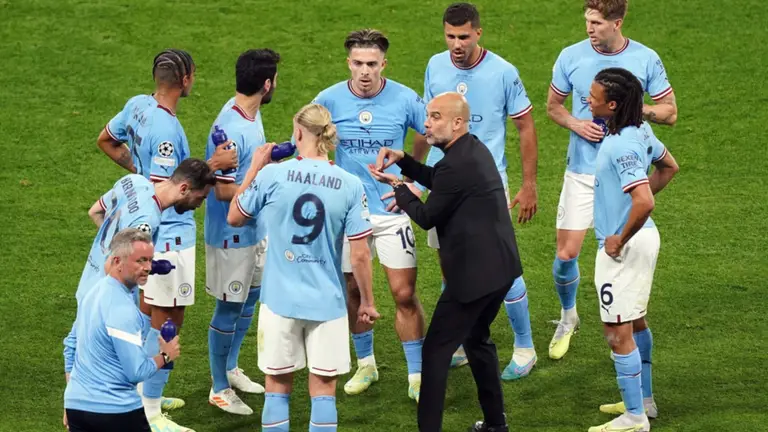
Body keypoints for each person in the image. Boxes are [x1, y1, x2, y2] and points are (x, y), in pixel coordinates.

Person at [97, 48, 235, 431]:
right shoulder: (166, 131)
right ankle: (150, 410)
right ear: (186, 79)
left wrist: (136, 173)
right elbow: (172, 187)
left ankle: (143, 392)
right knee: (168, 320)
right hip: (169, 236)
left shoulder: (137, 105)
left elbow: (106, 140)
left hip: (151, 228)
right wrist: (215, 165)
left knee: (147, 314)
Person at [370, 92, 520, 432]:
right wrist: (405, 161)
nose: (426, 123)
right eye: (428, 116)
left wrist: (400, 189)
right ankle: (496, 425)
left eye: (435, 117)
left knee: (435, 353)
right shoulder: (471, 150)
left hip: (472, 279)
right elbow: (440, 180)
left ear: (457, 123)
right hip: (501, 269)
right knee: (477, 340)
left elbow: (427, 217)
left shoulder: (456, 164)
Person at [228, 103, 380, 432]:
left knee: (277, 386)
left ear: (298, 133)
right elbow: (360, 255)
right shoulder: (350, 184)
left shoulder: (273, 175)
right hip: (327, 303)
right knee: (324, 390)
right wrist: (367, 302)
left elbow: (235, 216)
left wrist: (254, 168)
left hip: (279, 300)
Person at [546, 0, 678, 361]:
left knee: (617, 251)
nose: (589, 28)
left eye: (598, 23)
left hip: (622, 173)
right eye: (587, 21)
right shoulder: (570, 56)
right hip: (581, 170)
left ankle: (624, 330)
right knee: (565, 255)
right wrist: (576, 124)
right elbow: (553, 106)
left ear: (617, 23)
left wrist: (633, 108)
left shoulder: (645, 58)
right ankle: (568, 316)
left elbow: (670, 113)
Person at [413, 2, 539, 379]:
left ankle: (525, 347)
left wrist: (529, 184)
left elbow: (526, 127)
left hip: (487, 186)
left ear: (478, 34)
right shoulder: (435, 66)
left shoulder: (503, 72)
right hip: (444, 182)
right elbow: (427, 125)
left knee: (502, 269)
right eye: (450, 36)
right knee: (451, 266)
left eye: (464, 37)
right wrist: (416, 179)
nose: (457, 44)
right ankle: (461, 341)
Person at [311, 28, 428, 399]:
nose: (365, 71)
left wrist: (416, 182)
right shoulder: (328, 100)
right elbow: (308, 144)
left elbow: (435, 134)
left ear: (383, 64)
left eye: (372, 64)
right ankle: (366, 365)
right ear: (349, 63)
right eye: (359, 63)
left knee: (404, 293)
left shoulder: (405, 98)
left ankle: (417, 375)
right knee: (352, 290)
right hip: (349, 215)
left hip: (392, 211)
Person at [62, 160, 215, 429]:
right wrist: (165, 356)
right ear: (184, 188)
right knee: (105, 350)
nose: (199, 205)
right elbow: (123, 260)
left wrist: (125, 257)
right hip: (108, 290)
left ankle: (83, 403)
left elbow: (95, 211)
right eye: (200, 198)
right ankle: (128, 408)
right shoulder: (148, 220)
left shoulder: (134, 182)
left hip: (91, 278)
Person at [587, 67, 678, 432]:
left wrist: (619, 237)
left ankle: (635, 419)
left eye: (593, 97)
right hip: (643, 240)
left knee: (616, 329)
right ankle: (643, 401)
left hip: (625, 248)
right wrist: (632, 207)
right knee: (635, 320)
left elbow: (644, 201)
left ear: (612, 104)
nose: (587, 100)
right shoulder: (639, 130)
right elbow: (669, 167)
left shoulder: (622, 144)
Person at [204, 48, 280, 415]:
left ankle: (231, 368)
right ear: (266, 84)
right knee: (228, 309)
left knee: (250, 300)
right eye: (275, 79)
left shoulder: (251, 112)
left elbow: (253, 165)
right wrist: (267, 189)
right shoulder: (231, 130)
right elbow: (223, 191)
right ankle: (219, 388)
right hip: (230, 236)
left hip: (255, 229)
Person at [64, 228, 181, 432]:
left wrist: (71, 399)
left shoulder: (92, 293)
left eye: (150, 260)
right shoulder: (122, 309)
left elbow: (70, 346)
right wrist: (165, 355)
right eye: (140, 261)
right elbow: (137, 371)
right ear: (117, 261)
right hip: (116, 412)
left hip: (77, 407)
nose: (148, 268)